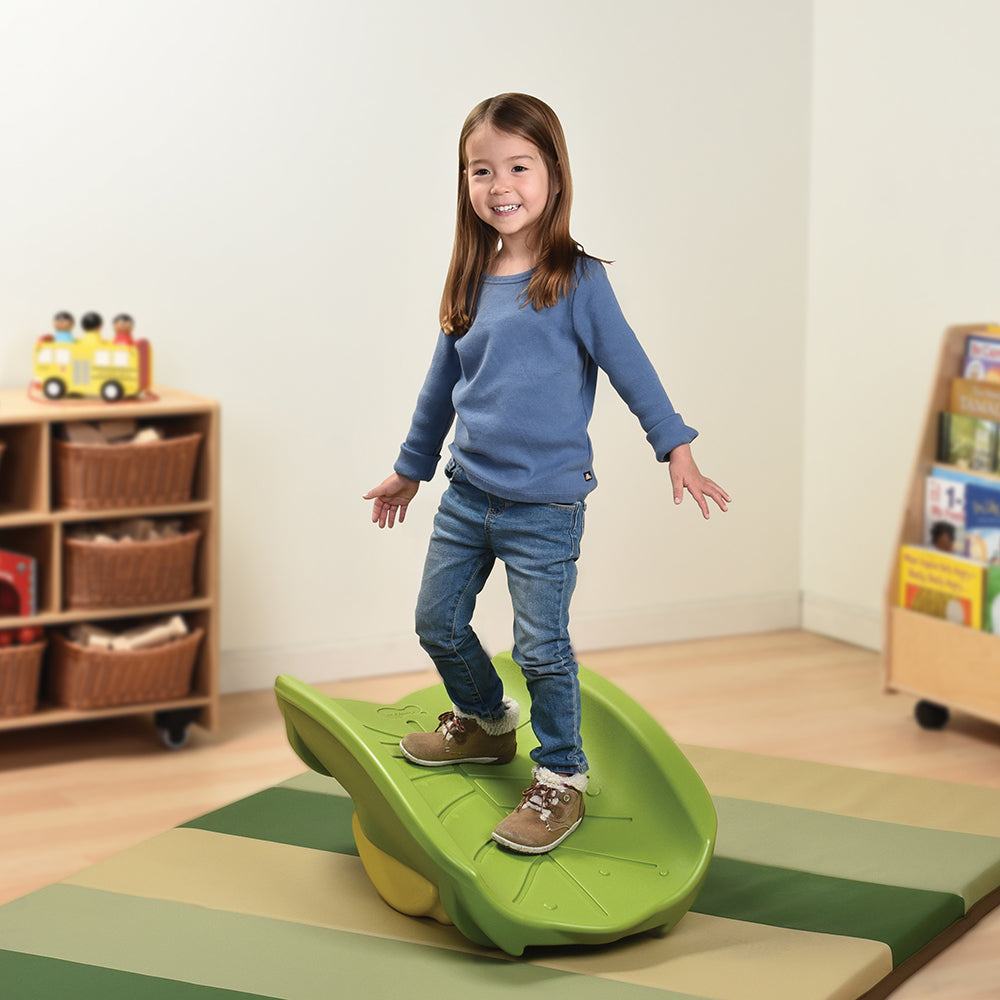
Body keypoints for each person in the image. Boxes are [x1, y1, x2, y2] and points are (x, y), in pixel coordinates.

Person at [364, 93, 729, 855]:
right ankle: (489, 723)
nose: (500, 185)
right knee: (437, 622)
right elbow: (441, 389)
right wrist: (411, 470)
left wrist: (678, 448)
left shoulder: (577, 279)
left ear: (554, 175)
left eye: (518, 167)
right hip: (468, 496)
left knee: (541, 647)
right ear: (465, 182)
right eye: (481, 170)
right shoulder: (467, 280)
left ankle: (561, 775)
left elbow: (634, 371)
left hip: (546, 508)